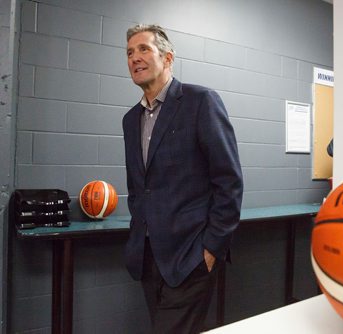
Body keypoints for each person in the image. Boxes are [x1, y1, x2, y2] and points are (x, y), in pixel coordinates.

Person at [122, 24, 244, 334]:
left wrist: (212, 248)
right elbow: (139, 188)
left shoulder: (200, 101)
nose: (135, 57)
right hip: (148, 257)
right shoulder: (130, 119)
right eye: (129, 52)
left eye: (144, 49)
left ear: (168, 57)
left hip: (191, 255)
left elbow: (228, 180)